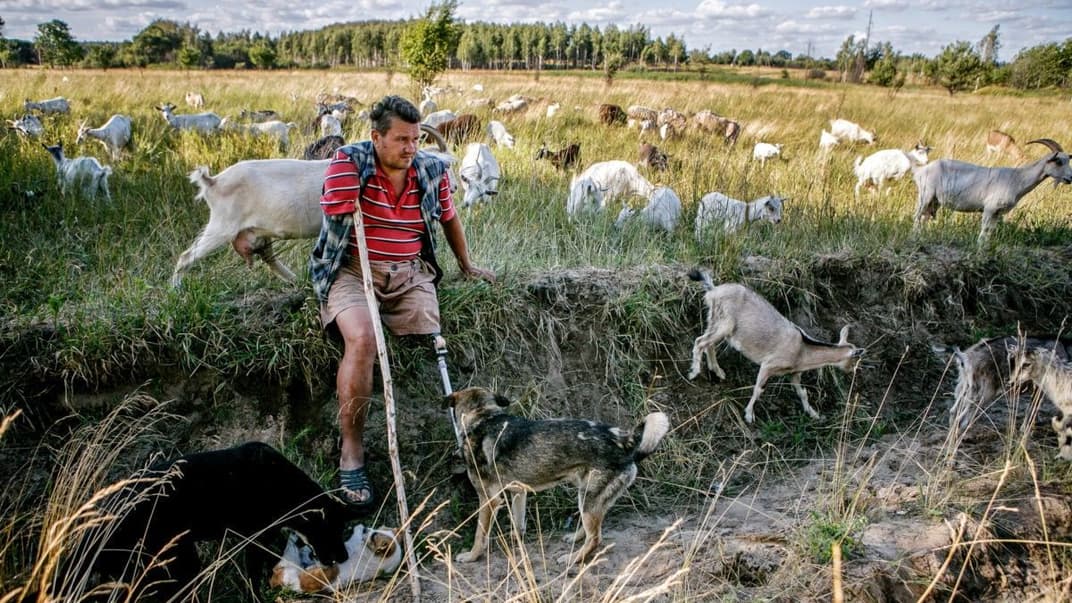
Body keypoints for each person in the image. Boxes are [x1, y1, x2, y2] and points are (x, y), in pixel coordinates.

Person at [310, 95, 495, 507]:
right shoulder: (349, 162)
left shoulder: (431, 168)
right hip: (353, 270)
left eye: (414, 139)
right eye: (400, 140)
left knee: (436, 343)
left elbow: (449, 217)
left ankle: (463, 449)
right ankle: (352, 452)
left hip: (409, 272)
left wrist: (467, 266)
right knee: (362, 339)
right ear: (376, 137)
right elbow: (332, 214)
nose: (410, 148)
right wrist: (350, 188)